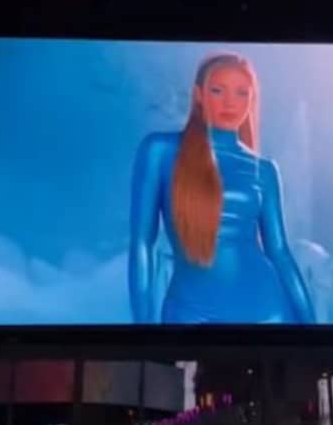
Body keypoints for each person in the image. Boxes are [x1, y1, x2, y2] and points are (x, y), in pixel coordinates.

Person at [128, 52, 316, 324]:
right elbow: (142, 242)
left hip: (268, 315)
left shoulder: (263, 169)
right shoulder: (160, 150)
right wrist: (142, 328)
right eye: (218, 90)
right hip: (190, 313)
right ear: (199, 95)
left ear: (252, 100)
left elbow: (280, 253)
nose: (230, 102)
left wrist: (313, 329)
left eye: (242, 93)